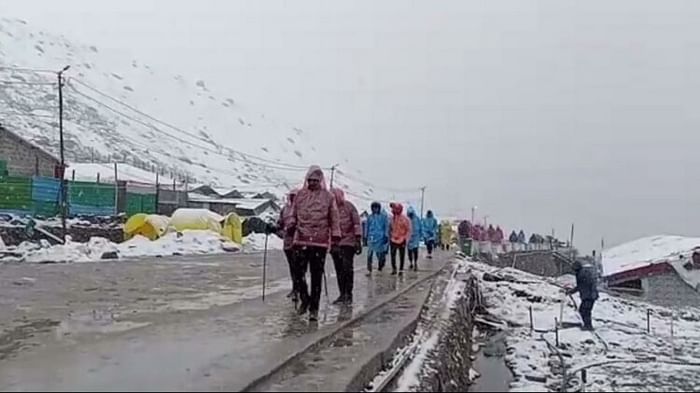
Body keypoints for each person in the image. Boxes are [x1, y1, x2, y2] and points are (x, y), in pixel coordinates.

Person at [287, 165, 340, 322]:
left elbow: (334, 218)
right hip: (301, 239)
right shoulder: (300, 196)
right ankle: (305, 299)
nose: (312, 183)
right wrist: (290, 224)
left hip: (319, 242)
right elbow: (293, 213)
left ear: (320, 180)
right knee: (297, 273)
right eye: (310, 180)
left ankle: (314, 309)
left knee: (316, 276)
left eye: (315, 181)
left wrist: (336, 236)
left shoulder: (328, 197)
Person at [330, 188, 362, 305]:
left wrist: (358, 239)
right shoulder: (330, 209)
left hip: (348, 242)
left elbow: (356, 223)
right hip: (335, 244)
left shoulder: (349, 207)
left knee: (347, 268)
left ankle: (348, 293)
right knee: (339, 270)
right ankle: (342, 293)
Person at [277, 189, 299, 302]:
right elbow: (280, 225)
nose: (292, 198)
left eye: (295, 196)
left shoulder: (302, 209)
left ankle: (299, 289)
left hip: (300, 243)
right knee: (292, 267)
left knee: (299, 268)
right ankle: (295, 288)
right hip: (287, 244)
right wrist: (281, 232)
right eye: (291, 196)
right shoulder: (285, 209)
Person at [566, 261, 599, 331]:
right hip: (589, 295)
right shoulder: (582, 272)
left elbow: (580, 286)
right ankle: (587, 325)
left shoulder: (581, 274)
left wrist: (571, 291)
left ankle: (588, 326)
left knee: (585, 311)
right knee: (585, 310)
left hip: (588, 296)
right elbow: (581, 286)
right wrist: (571, 291)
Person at [365, 201, 390, 274]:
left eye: (376, 208)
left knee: (380, 254)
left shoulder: (383, 216)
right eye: (373, 208)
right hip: (371, 237)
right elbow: (367, 227)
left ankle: (381, 264)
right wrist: (365, 236)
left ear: (379, 208)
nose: (375, 209)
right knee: (369, 254)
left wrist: (386, 235)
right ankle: (369, 269)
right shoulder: (369, 217)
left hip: (380, 237)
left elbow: (386, 226)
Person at [389, 202, 411, 275]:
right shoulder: (391, 218)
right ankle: (394, 269)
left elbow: (408, 230)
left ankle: (401, 269)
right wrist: (390, 236)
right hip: (393, 239)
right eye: (393, 209)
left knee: (401, 255)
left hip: (402, 239)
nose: (393, 210)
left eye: (395, 209)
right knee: (392, 255)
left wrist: (406, 239)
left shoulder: (405, 219)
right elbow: (390, 228)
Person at [406, 206, 422, 271]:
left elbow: (420, 227)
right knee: (409, 251)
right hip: (409, 237)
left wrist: (421, 236)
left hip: (416, 237)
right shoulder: (406, 219)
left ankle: (415, 262)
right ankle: (411, 262)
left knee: (415, 251)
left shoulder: (417, 219)